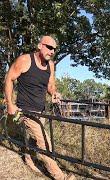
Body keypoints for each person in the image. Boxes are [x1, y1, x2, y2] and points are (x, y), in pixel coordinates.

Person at [4, 35, 75, 180]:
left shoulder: (50, 65)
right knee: (44, 143)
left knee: (34, 139)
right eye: (49, 47)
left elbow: (50, 85)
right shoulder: (25, 60)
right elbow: (9, 79)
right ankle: (60, 177)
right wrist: (10, 104)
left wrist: (54, 93)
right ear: (39, 45)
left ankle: (28, 158)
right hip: (26, 111)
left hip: (42, 111)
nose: (52, 51)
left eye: (54, 49)